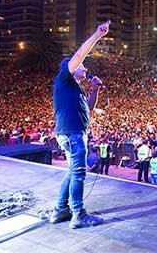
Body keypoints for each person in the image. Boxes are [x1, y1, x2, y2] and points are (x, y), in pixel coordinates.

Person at [49, 20, 110, 229]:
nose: (85, 67)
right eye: (82, 66)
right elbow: (77, 57)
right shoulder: (64, 79)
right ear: (71, 69)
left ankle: (60, 210)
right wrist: (96, 36)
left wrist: (95, 90)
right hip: (73, 134)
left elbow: (89, 108)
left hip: (74, 133)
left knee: (72, 172)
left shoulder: (76, 88)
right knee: (79, 174)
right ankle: (78, 214)